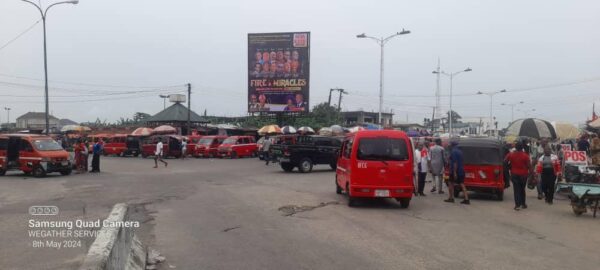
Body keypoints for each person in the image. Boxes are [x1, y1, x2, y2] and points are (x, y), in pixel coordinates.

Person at [505, 142, 531, 210]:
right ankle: (523, 204)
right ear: (522, 148)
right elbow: (529, 166)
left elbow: (505, 161)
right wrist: (532, 174)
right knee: (522, 189)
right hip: (523, 175)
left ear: (515, 147)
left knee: (516, 189)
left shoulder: (511, 154)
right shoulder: (526, 156)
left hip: (514, 174)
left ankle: (517, 205)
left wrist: (509, 167)